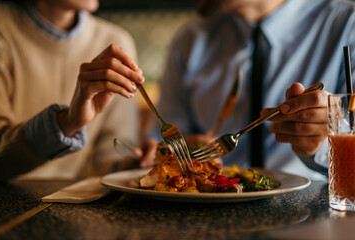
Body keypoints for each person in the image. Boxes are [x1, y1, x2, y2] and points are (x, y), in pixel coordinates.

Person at [144, 0, 355, 180]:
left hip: (314, 218)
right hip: (207, 214)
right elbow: (162, 139)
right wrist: (165, 153)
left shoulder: (348, 26)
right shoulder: (189, 39)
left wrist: (324, 146)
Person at [0, 0, 145, 181]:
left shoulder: (116, 42)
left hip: (68, 201)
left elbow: (110, 156)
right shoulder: (0, 26)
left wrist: (134, 164)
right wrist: (65, 122)